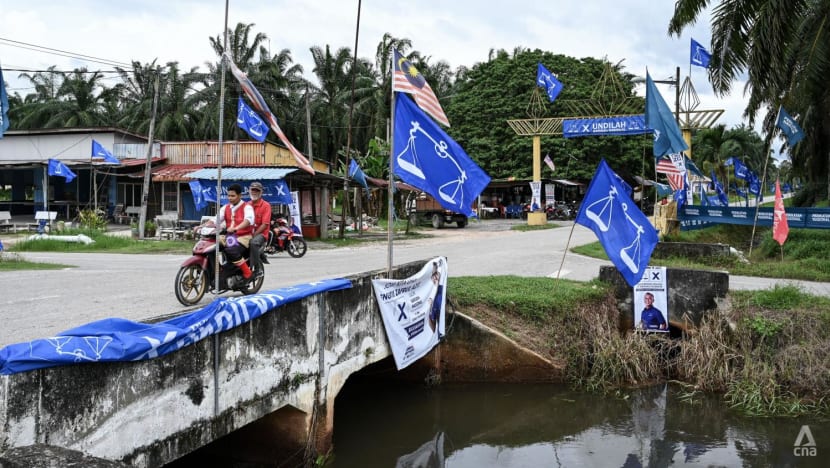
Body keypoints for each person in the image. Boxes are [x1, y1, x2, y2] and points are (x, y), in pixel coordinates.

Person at [217, 183, 255, 280]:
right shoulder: (225, 208)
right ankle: (217, 268)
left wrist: (236, 228)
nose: (230, 198)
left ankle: (247, 272)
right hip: (228, 236)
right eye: (228, 196)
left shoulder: (247, 207)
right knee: (210, 245)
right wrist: (202, 226)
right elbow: (216, 219)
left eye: (233, 196)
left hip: (243, 236)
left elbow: (248, 220)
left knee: (231, 250)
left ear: (239, 195)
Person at [247, 181, 271, 278]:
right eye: (253, 190)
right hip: (247, 233)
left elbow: (265, 224)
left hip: (261, 235)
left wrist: (254, 234)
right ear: (249, 191)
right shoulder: (247, 205)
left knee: (253, 243)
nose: (254, 192)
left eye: (257, 190)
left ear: (261, 192)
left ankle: (258, 269)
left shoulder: (266, 206)